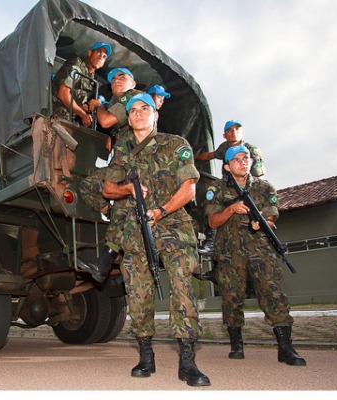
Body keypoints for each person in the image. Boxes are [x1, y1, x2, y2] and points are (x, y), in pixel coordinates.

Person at [101, 93, 210, 385]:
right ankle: (145, 357)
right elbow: (108, 189)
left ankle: (187, 362)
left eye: (144, 108)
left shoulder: (176, 144)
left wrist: (160, 211)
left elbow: (189, 188)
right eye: (133, 110)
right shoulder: (122, 152)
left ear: (155, 115)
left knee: (182, 284)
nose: (138, 113)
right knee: (137, 292)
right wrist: (129, 191)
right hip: (136, 230)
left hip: (173, 224)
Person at [204, 145, 306, 366]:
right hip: (230, 254)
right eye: (237, 159)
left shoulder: (264, 187)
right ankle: (237, 344)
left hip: (260, 250)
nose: (243, 162)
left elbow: (271, 215)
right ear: (227, 166)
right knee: (232, 298)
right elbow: (212, 221)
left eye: (246, 158)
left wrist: (263, 224)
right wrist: (231, 209)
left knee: (273, 294)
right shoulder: (217, 189)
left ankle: (286, 348)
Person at [76, 68, 142, 282]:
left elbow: (106, 121)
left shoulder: (134, 97)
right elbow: (117, 129)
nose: (116, 81)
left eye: (122, 77)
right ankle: (107, 260)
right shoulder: (122, 105)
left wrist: (98, 107)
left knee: (123, 208)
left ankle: (107, 263)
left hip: (136, 166)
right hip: (122, 163)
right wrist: (114, 139)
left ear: (133, 82)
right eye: (113, 79)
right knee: (92, 188)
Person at [195, 120, 266, 283]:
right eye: (230, 130)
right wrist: (191, 157)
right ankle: (214, 261)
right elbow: (210, 155)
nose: (233, 132)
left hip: (246, 192)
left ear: (243, 132)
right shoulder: (224, 148)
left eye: (237, 129)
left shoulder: (251, 150)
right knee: (214, 217)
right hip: (228, 191)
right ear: (224, 135)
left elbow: (260, 175)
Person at [51, 42, 112, 127]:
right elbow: (63, 93)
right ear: (90, 53)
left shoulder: (92, 80)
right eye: (98, 52)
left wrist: (83, 107)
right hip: (52, 114)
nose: (100, 58)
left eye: (104, 56)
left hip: (68, 120)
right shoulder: (77, 64)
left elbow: (77, 96)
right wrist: (82, 114)